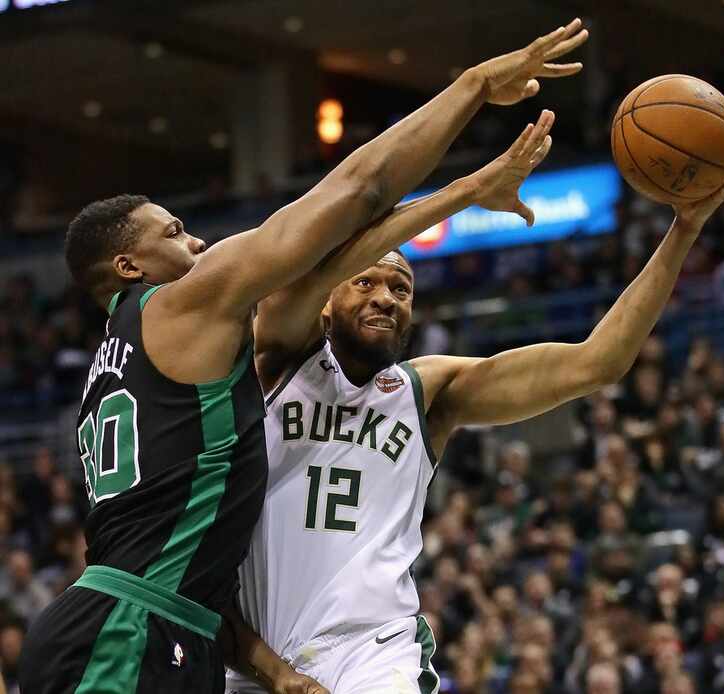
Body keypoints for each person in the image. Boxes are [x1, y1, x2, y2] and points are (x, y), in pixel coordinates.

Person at [18, 18, 587, 692]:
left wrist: (463, 192)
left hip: (165, 629)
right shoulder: (174, 306)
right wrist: (470, 88)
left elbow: (329, 263)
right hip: (131, 626)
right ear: (129, 265)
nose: (197, 244)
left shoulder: (123, 352)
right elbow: (355, 193)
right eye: (174, 232)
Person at [229, 68, 724, 694]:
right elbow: (299, 277)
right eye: (365, 282)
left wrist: (684, 229)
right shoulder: (276, 357)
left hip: (374, 649)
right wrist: (465, 191)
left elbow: (596, 363)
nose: (387, 296)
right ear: (326, 303)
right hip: (257, 658)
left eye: (401, 287)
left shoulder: (428, 392)